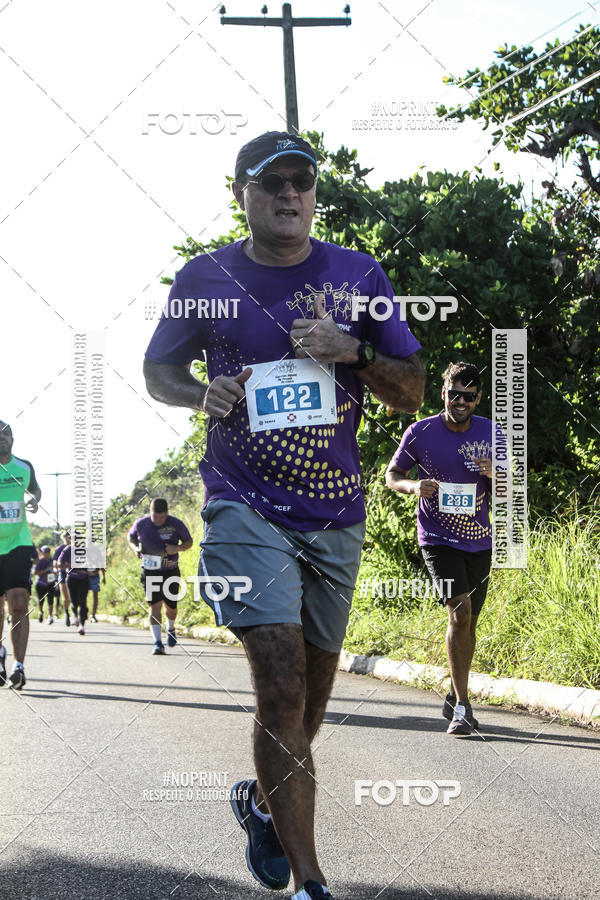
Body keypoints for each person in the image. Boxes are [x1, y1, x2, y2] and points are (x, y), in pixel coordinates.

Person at [143, 131, 424, 900]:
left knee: (309, 702)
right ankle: (310, 883)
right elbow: (158, 369)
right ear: (242, 192)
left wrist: (352, 352)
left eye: (302, 181)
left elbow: (411, 393)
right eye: (272, 183)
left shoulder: (359, 274)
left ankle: (266, 809)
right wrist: (199, 392)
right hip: (243, 504)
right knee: (279, 682)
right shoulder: (206, 277)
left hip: (335, 513)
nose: (290, 193)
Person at [386, 361, 496, 736]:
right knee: (460, 614)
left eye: (469, 396)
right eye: (455, 394)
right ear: (444, 393)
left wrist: (496, 474)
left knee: (469, 622)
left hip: (479, 540)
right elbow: (392, 475)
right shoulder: (421, 432)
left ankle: (454, 690)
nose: (461, 402)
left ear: (478, 398)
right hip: (437, 539)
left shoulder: (491, 433)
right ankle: (463, 708)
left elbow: (510, 491)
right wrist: (414, 487)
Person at [0, 420, 42, 689]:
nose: (2, 439)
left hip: (19, 542)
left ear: (12, 439)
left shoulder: (24, 467)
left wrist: (34, 498)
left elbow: (35, 488)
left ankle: (19, 666)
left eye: (6, 435)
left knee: (18, 603)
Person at [127, 499, 193, 654]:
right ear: (150, 512)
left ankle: (171, 628)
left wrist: (177, 548)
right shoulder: (141, 524)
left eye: (162, 517)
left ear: (167, 513)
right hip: (150, 571)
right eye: (155, 517)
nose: (158, 520)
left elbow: (189, 542)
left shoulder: (175, 524)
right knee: (155, 605)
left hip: (170, 570)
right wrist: (136, 548)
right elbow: (130, 537)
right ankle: (157, 643)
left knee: (171, 607)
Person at [58, 537, 90, 635]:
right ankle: (75, 615)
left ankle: (82, 625)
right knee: (74, 602)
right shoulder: (67, 550)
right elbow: (59, 564)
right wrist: (71, 565)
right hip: (71, 579)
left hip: (84, 579)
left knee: (82, 602)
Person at [34, 545, 57, 623]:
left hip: (50, 583)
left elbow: (56, 570)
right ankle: (41, 612)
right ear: (42, 553)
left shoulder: (52, 561)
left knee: (51, 600)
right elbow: (35, 573)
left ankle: (50, 616)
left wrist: (55, 572)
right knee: (41, 601)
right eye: (45, 552)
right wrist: (46, 570)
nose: (47, 554)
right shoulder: (40, 561)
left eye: (48, 552)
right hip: (41, 584)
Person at [53, 531, 72, 626]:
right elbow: (55, 562)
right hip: (63, 573)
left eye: (69, 537)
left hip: (75, 574)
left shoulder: (76, 548)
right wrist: (57, 568)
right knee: (66, 596)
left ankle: (75, 613)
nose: (68, 539)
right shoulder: (59, 549)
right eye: (66, 537)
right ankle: (67, 613)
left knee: (73, 595)